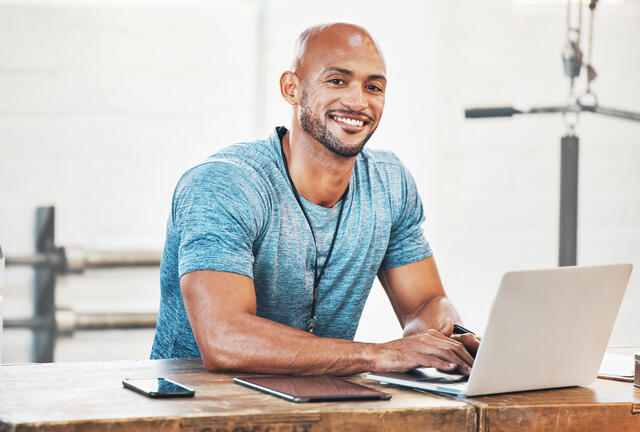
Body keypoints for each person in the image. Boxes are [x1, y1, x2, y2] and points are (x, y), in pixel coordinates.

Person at [151, 22, 479, 376]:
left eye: (373, 87)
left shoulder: (390, 183)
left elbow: (424, 303)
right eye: (337, 81)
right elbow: (223, 340)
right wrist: (377, 355)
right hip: (198, 408)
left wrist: (452, 338)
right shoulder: (226, 183)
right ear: (291, 88)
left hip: (316, 401)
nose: (358, 101)